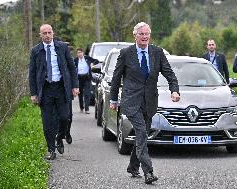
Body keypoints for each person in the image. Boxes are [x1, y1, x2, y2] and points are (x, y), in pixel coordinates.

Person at [109, 22, 180, 184]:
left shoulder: (157, 52)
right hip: (131, 101)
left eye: (147, 33)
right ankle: (148, 172)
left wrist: (174, 90)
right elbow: (116, 77)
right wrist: (113, 99)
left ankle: (133, 166)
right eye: (141, 34)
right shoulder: (126, 53)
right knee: (141, 133)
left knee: (143, 135)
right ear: (135, 36)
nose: (145, 36)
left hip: (149, 102)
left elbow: (169, 73)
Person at [29, 24, 79, 160]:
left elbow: (71, 67)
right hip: (45, 90)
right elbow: (32, 74)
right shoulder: (36, 51)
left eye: (49, 32)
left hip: (61, 88)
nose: (47, 35)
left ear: (53, 33)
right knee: (47, 122)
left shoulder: (62, 47)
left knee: (64, 117)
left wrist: (75, 86)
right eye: (44, 33)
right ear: (40, 35)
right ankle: (51, 150)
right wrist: (33, 93)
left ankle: (59, 138)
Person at [74, 48, 99, 114]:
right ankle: (81, 107)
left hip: (87, 77)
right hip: (79, 78)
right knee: (80, 93)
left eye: (80, 52)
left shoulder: (87, 58)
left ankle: (87, 109)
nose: (79, 54)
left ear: (83, 53)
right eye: (78, 53)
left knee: (87, 93)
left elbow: (97, 61)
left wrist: (92, 64)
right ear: (77, 54)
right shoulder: (75, 60)